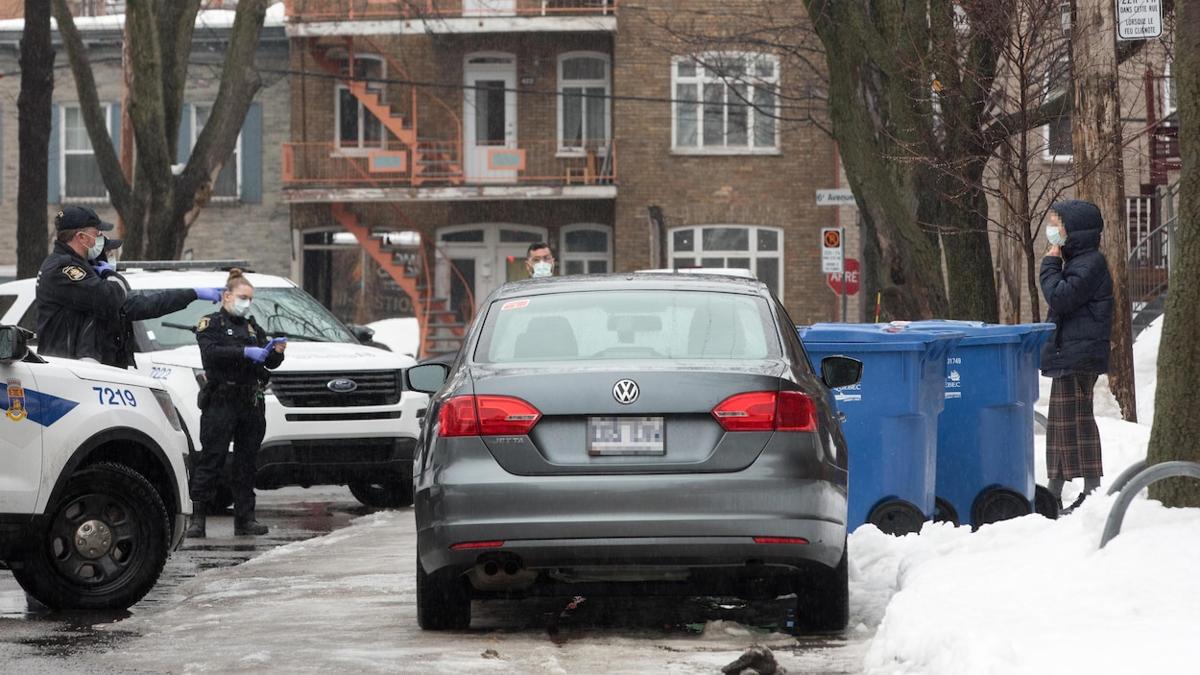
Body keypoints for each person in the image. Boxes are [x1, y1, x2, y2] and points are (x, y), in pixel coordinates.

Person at [186, 269, 286, 538]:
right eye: (243, 297)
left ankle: (245, 518)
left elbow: (267, 361)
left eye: (250, 299)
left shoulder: (252, 327)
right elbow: (211, 353)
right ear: (227, 296)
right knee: (212, 458)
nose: (246, 303)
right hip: (221, 399)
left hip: (250, 400)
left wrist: (275, 353)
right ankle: (198, 519)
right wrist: (244, 351)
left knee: (246, 462)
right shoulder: (211, 323)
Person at [1039, 199, 1114, 513]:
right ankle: (1057, 491)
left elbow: (1060, 297)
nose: (1052, 230)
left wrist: (1050, 263)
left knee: (1074, 422)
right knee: (1063, 423)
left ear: (1075, 231)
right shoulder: (1080, 261)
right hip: (1071, 353)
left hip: (1079, 355)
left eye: (1058, 224)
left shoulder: (1090, 263)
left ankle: (1086, 491)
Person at [90, 237, 223, 369]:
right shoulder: (105, 288)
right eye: (109, 254)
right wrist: (192, 294)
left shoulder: (113, 282)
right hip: (104, 365)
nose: (113, 258)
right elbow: (144, 305)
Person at [35, 206, 127, 362]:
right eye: (96, 233)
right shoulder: (64, 268)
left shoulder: (71, 263)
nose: (100, 237)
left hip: (71, 365)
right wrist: (108, 273)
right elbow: (111, 298)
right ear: (81, 237)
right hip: (67, 367)